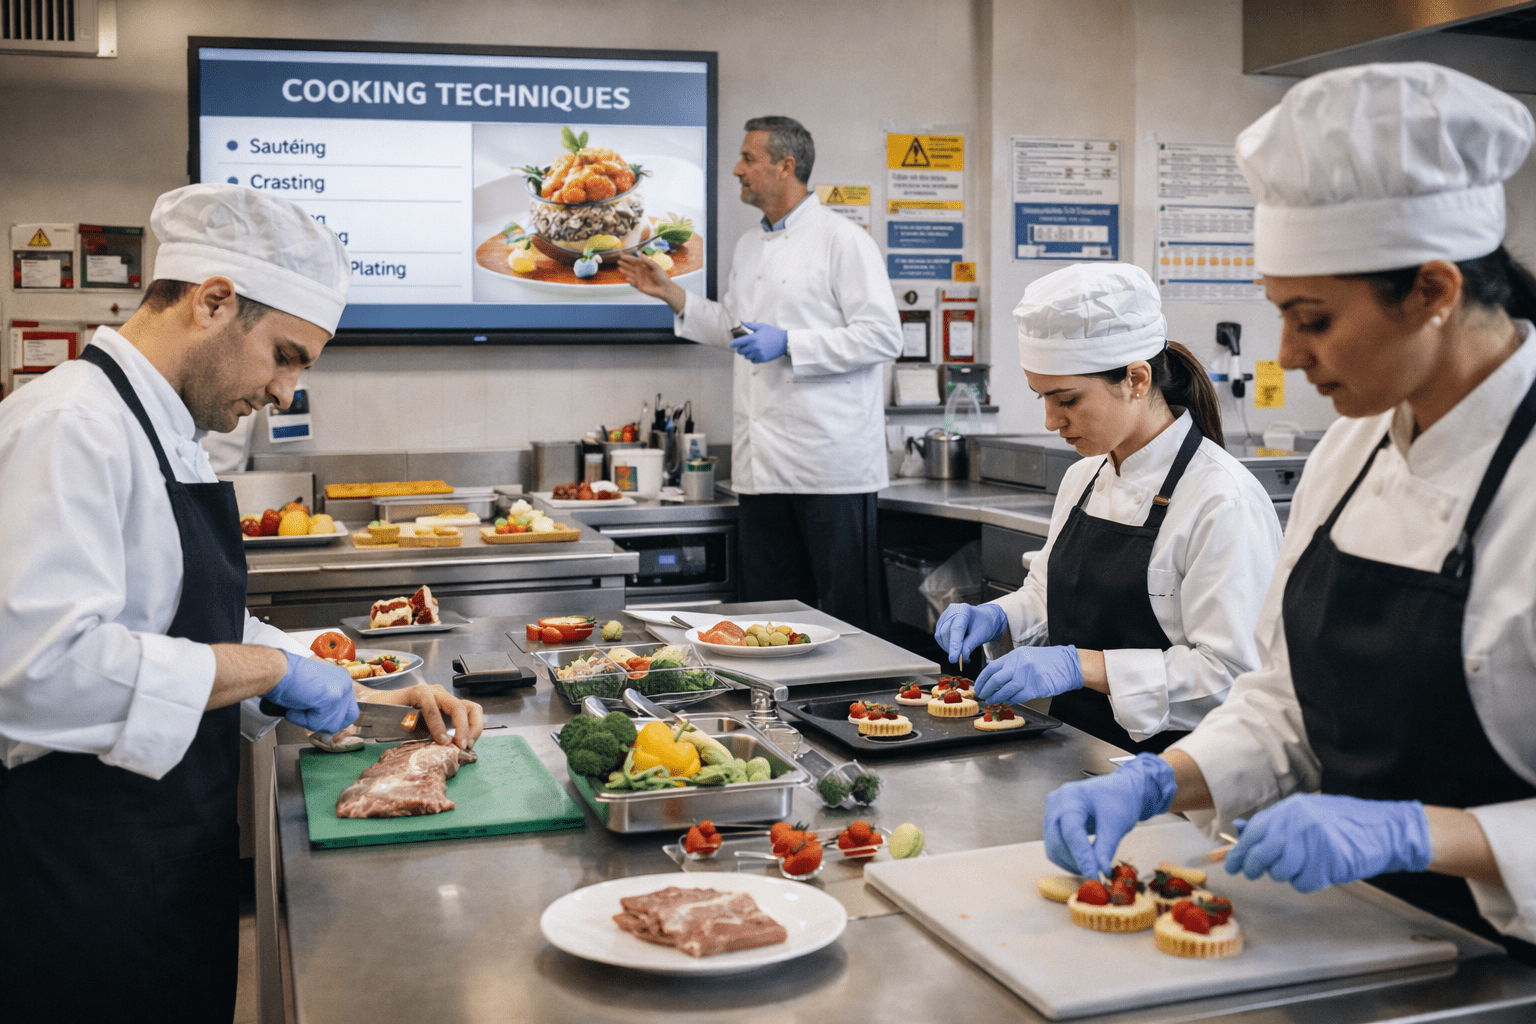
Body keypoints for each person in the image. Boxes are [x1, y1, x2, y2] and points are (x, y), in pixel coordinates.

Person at [1041, 63, 1536, 964]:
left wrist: (1417, 836)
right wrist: (1163, 779)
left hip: (1502, 957)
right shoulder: (1351, 449)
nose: (1287, 354)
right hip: (1348, 929)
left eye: (1312, 318)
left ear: (1432, 291)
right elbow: (1284, 703)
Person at [0, 183, 484, 1020]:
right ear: (214, 302)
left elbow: (185, 622)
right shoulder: (68, 424)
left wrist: (363, 694)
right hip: (82, 869)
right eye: (287, 356)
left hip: (165, 850)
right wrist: (267, 667)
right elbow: (37, 673)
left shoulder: (164, 430)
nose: (286, 393)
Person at [933, 264, 1282, 753]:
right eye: (1043, 398)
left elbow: (1232, 679)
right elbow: (1048, 596)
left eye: (1067, 399)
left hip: (1174, 775)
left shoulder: (1222, 499)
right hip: (1075, 748)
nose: (1052, 420)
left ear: (1136, 379)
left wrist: (1083, 666)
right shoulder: (1085, 476)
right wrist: (999, 615)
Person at [618, 116, 902, 630]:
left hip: (830, 468)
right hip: (762, 469)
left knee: (845, 623)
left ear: (785, 166)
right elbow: (737, 329)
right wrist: (672, 294)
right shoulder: (750, 246)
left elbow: (884, 336)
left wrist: (791, 342)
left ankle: (852, 712)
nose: (737, 169)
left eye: (748, 158)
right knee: (770, 621)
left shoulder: (844, 240)